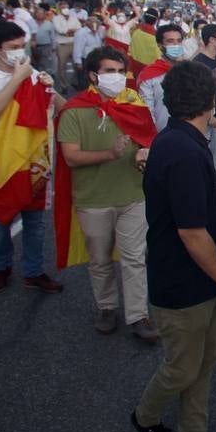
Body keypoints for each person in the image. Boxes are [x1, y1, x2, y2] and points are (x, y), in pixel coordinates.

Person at [132, 61, 216, 432]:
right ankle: (145, 417)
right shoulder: (184, 151)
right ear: (210, 100)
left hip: (198, 281)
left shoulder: (180, 141)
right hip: (182, 284)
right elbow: (192, 233)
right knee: (183, 368)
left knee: (205, 362)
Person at [55, 46, 158, 340]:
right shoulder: (74, 112)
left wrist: (144, 154)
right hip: (94, 199)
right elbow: (71, 157)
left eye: (120, 72)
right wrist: (109, 154)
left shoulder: (133, 103)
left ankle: (138, 315)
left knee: (135, 258)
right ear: (93, 75)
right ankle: (107, 307)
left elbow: (148, 139)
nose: (116, 78)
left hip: (133, 196)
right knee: (100, 259)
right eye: (109, 71)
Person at [0, 20, 64, 294]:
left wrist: (51, 87)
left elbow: (62, 107)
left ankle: (34, 271)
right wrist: (17, 78)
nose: (20, 52)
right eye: (13, 48)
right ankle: (2, 267)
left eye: (22, 46)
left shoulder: (32, 74)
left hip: (33, 160)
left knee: (35, 223)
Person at [137, 23, 185, 132]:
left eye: (179, 41)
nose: (176, 45)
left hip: (191, 135)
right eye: (170, 41)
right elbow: (147, 111)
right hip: (162, 134)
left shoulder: (191, 71)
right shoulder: (149, 75)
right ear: (159, 45)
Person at [194, 24, 216, 176]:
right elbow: (198, 93)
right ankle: (203, 178)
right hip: (206, 115)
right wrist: (209, 114)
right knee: (202, 148)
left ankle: (211, 176)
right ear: (212, 40)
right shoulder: (199, 63)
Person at [32, 6, 57, 75]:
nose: (39, 15)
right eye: (38, 13)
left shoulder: (49, 24)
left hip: (45, 47)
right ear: (35, 14)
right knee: (33, 64)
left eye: (41, 13)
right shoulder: (31, 23)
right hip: (33, 47)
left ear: (44, 14)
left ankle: (42, 80)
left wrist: (53, 47)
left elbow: (53, 36)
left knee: (43, 64)